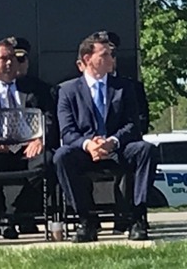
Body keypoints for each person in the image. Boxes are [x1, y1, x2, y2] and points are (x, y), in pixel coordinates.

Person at [53, 32, 157, 242]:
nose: (112, 59)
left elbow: (132, 125)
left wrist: (112, 142)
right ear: (86, 59)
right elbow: (67, 131)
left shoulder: (125, 87)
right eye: (105, 55)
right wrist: (89, 144)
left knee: (146, 150)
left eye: (112, 54)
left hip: (118, 148)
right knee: (62, 156)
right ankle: (86, 220)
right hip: (86, 150)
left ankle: (137, 218)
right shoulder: (67, 91)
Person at [0, 37, 56, 240]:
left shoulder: (36, 89)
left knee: (47, 160)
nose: (10, 63)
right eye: (3, 58)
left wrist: (40, 139)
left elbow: (50, 118)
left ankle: (19, 214)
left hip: (27, 147)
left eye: (13, 58)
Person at [106, 32, 150, 134]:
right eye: (103, 55)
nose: (109, 59)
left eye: (112, 55)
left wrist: (115, 140)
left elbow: (142, 122)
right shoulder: (80, 89)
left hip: (124, 144)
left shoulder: (134, 87)